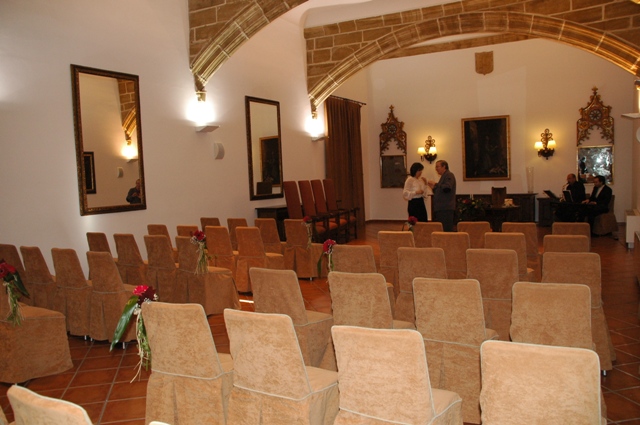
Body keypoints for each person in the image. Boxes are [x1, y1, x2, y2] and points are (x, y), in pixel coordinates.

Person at [427, 160, 456, 232]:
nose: (436, 169)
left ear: (444, 167)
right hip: (441, 208)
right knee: (442, 229)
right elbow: (441, 191)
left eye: (437, 167)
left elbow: (447, 188)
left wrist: (436, 184)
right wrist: (433, 188)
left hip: (446, 208)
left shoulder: (449, 175)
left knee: (446, 229)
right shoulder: (444, 176)